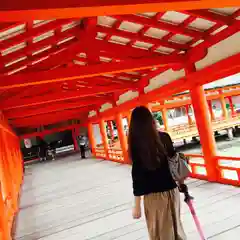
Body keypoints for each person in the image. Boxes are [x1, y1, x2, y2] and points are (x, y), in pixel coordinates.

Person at [128, 106, 186, 240]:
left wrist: (137, 205)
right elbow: (175, 162)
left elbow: (138, 177)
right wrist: (181, 184)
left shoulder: (137, 144)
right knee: (176, 228)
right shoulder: (165, 137)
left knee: (160, 233)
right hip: (172, 192)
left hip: (154, 197)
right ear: (151, 120)